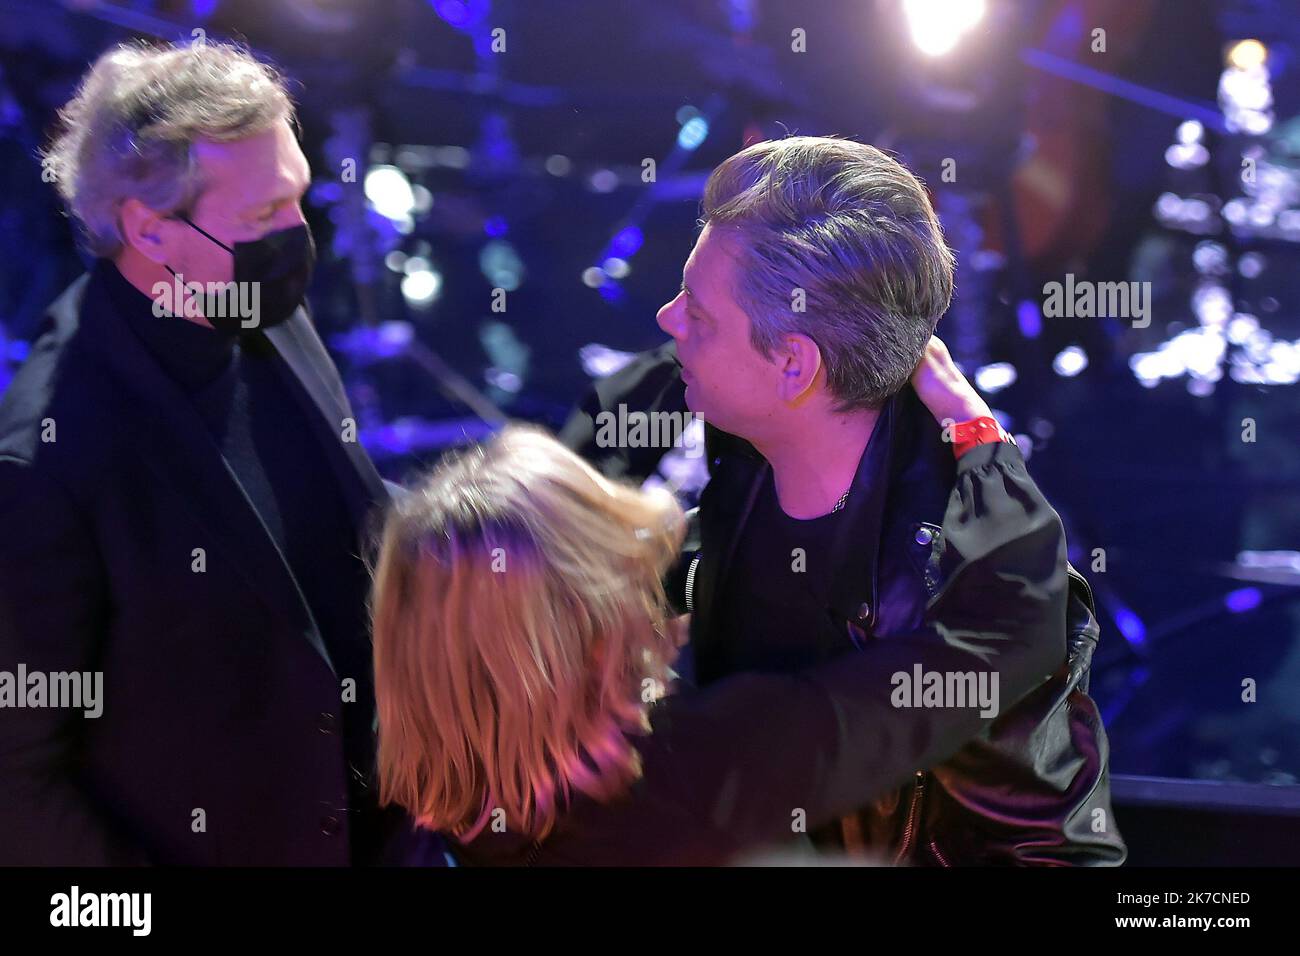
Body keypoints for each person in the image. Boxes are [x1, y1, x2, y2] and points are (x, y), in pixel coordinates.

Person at [562, 136, 1125, 865]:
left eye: (698, 315)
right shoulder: (742, 473)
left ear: (795, 363)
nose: (668, 320)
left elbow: (1051, 856)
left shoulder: (960, 589)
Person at [370, 350, 1073, 865]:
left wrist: (707, 355)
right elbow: (1008, 632)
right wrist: (976, 432)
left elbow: (522, 550)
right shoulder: (706, 768)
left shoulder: (437, 785)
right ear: (586, 630)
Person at [0, 40, 421, 864]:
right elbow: (17, 787)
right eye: (264, 216)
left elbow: (340, 524)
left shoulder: (258, 307)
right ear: (150, 229)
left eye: (297, 198)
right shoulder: (47, 464)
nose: (301, 234)